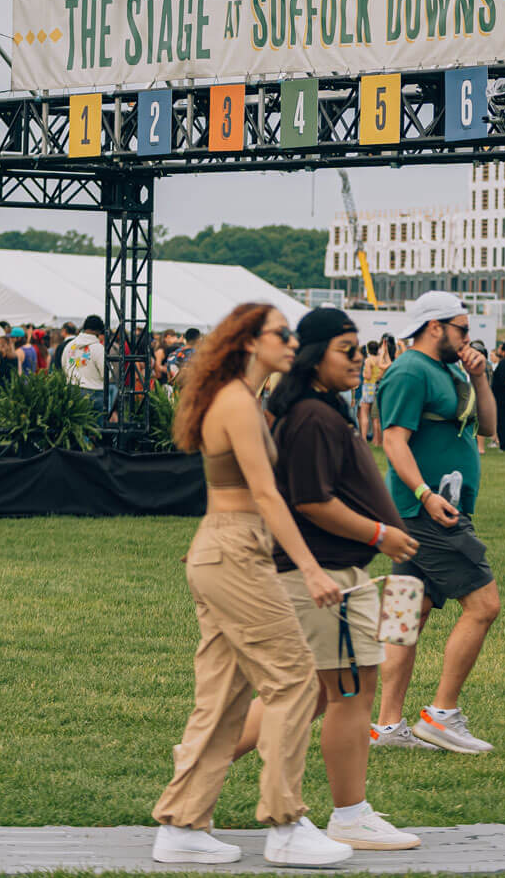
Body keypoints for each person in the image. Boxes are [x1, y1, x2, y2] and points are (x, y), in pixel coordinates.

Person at [151, 304, 353, 869]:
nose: (292, 342)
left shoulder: (246, 400)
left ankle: (182, 825)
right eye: (280, 334)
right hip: (235, 552)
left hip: (223, 551)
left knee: (223, 698)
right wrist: (310, 567)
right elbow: (264, 495)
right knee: (294, 681)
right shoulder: (238, 403)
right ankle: (285, 824)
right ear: (249, 341)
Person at [228, 308, 422, 851]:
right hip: (325, 578)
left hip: (332, 574)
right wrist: (381, 534)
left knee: (315, 694)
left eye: (360, 348)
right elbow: (313, 500)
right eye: (347, 348)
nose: (360, 358)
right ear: (314, 355)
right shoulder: (312, 415)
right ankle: (349, 815)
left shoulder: (317, 409)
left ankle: (203, 760)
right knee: (349, 694)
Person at [371, 290, 500, 755]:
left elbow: (487, 429)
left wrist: (480, 379)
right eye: (463, 328)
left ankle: (388, 726)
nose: (470, 337)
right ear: (435, 327)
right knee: (484, 604)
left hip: (432, 507)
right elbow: (393, 441)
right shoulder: (409, 370)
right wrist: (425, 496)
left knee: (408, 613)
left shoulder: (450, 370)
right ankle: (442, 715)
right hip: (425, 510)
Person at [63, 315, 110, 417]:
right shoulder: (99, 349)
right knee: (95, 429)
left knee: (76, 428)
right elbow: (106, 374)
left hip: (72, 390)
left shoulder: (70, 345)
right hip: (94, 393)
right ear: (99, 331)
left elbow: (64, 366)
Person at [357, 342, 384, 445]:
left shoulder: (368, 360)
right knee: (375, 416)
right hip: (376, 386)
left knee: (364, 414)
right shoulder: (379, 359)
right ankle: (377, 439)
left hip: (368, 387)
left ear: (368, 349)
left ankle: (363, 438)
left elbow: (367, 376)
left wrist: (363, 373)